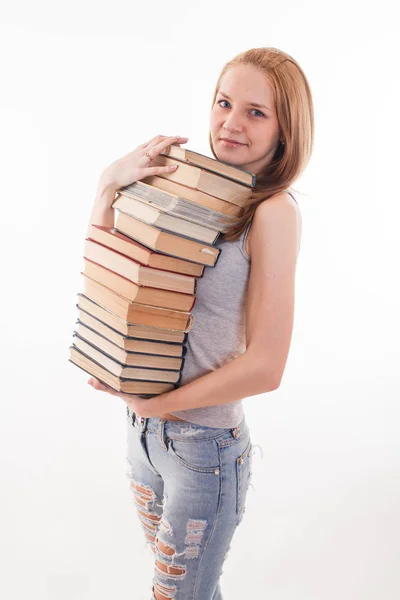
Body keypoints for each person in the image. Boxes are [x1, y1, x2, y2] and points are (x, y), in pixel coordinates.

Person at [85, 46, 313, 599]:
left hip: (203, 447)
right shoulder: (201, 189)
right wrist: (107, 185)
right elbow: (112, 278)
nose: (231, 123)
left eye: (256, 112)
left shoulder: (272, 212)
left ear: (286, 131)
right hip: (145, 437)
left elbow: (266, 367)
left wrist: (158, 403)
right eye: (224, 103)